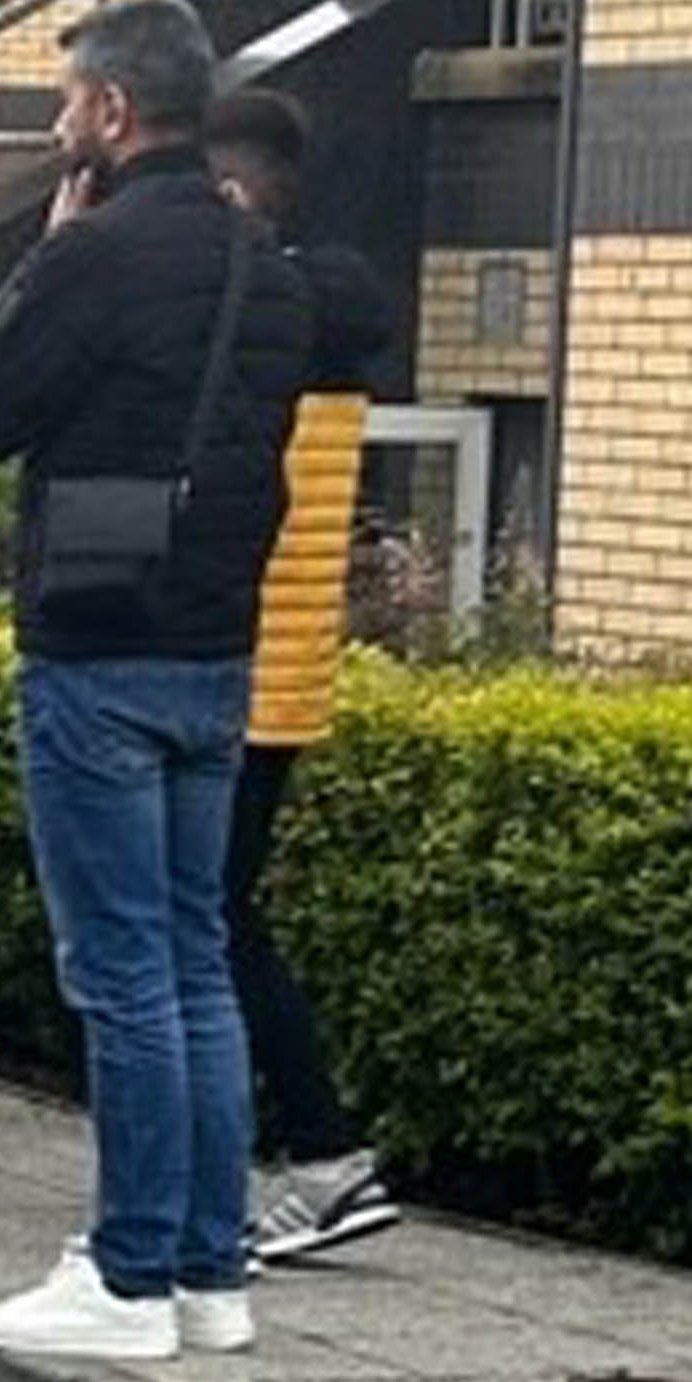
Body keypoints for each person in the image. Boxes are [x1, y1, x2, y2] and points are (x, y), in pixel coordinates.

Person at [0, 0, 308, 1363]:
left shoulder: (95, 255)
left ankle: (129, 1268)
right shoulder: (262, 265)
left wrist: (42, 265)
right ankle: (212, 1271)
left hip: (97, 647)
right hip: (218, 645)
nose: (55, 129)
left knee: (123, 973)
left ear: (107, 113)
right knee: (197, 957)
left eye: (64, 107)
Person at [201, 88, 405, 1267]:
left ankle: (320, 1153)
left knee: (211, 917)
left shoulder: (306, 298)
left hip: (254, 661)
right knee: (214, 915)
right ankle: (293, 1154)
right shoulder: (308, 298)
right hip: (259, 659)